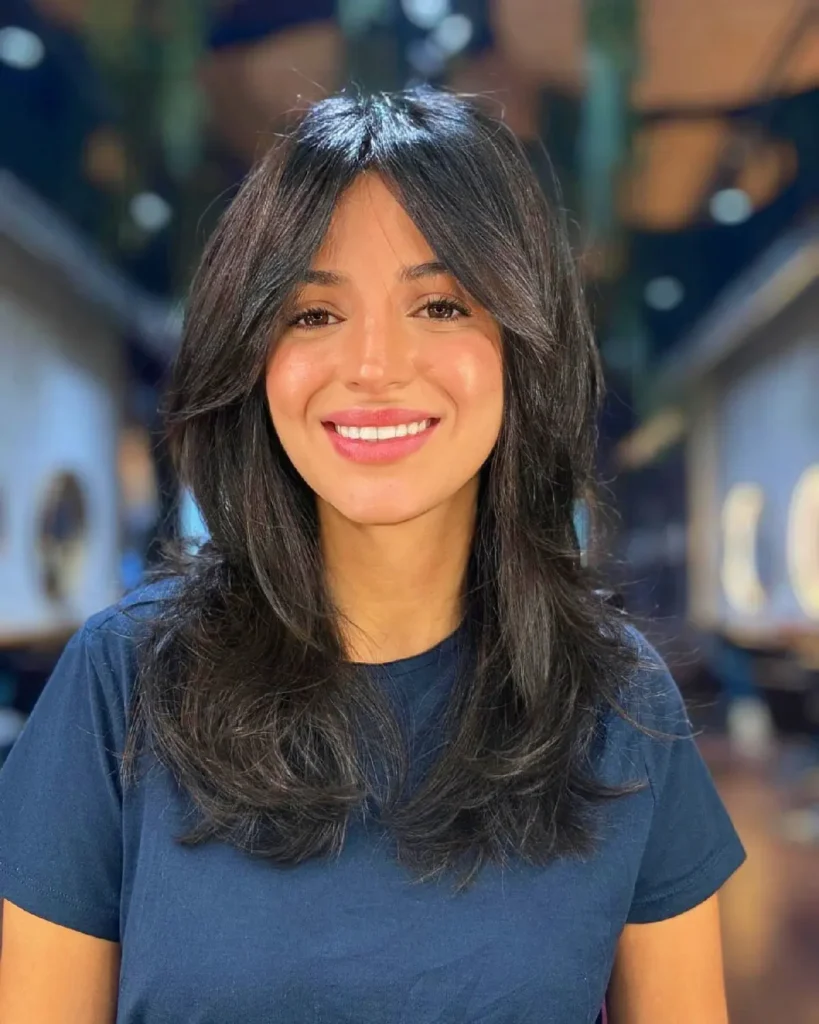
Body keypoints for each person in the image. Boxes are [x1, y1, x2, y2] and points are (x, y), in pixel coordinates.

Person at [0, 88, 745, 1024]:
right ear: (253, 355)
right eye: (313, 314)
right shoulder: (124, 682)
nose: (374, 365)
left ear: (522, 347)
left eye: (438, 304)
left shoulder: (615, 701)